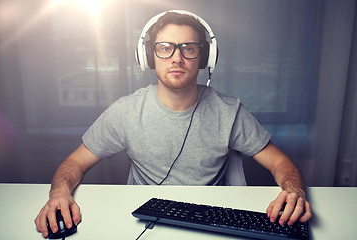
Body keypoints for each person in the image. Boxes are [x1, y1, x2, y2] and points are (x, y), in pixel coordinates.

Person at [35, 10, 312, 238]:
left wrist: (293, 192)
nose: (177, 57)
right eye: (165, 48)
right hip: (144, 224)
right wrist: (59, 194)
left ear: (204, 58)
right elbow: (74, 163)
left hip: (209, 225)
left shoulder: (229, 111)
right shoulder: (126, 111)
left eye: (188, 48)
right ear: (149, 56)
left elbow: (281, 163)